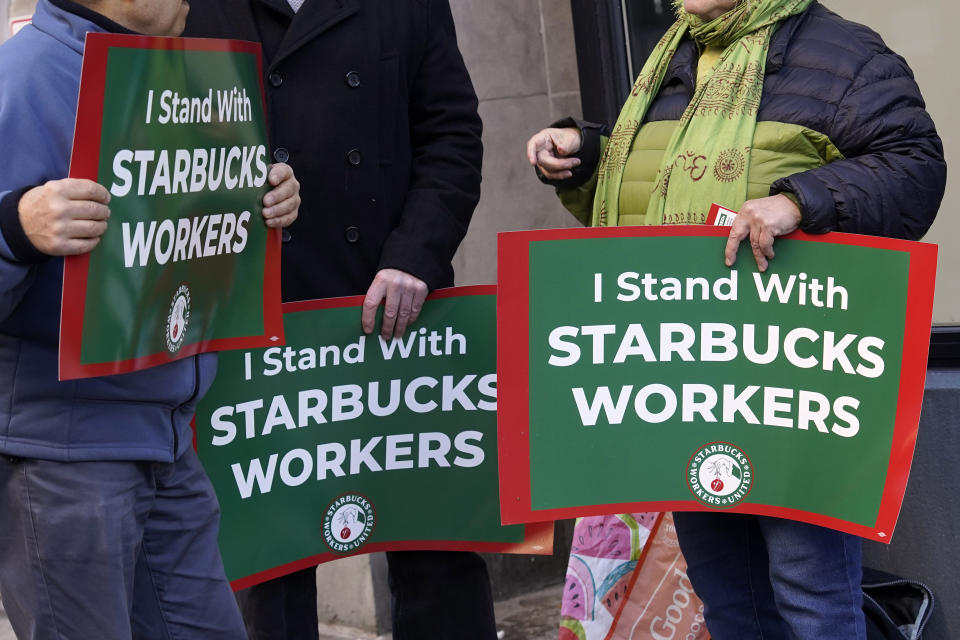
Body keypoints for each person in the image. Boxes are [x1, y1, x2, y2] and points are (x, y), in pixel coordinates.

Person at [527, 0, 945, 638]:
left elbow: (915, 168)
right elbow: (653, 196)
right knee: (729, 599)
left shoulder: (845, 55)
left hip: (793, 388)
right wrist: (587, 154)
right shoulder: (676, 56)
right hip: (696, 383)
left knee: (812, 598)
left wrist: (797, 202)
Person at [183, 1, 494, 639]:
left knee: (437, 546)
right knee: (266, 567)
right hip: (253, 322)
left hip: (396, 310)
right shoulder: (188, 6)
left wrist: (416, 256)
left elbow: (452, 136)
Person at [0, 0, 300, 637]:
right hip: (63, 458)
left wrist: (264, 202)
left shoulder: (191, 77)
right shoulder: (26, 76)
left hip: (169, 442)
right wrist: (16, 229)